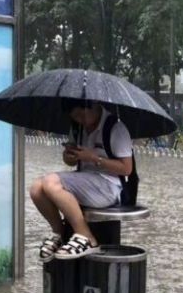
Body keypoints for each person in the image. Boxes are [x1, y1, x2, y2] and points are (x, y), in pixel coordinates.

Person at [29, 101, 133, 261]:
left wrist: (94, 158)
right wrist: (69, 156)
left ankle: (86, 236)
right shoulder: (77, 128)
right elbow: (71, 162)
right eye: (76, 116)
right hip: (85, 181)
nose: (81, 119)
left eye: (83, 114)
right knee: (36, 188)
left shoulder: (116, 128)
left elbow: (126, 169)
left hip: (109, 186)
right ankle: (59, 233)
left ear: (95, 105)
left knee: (51, 182)